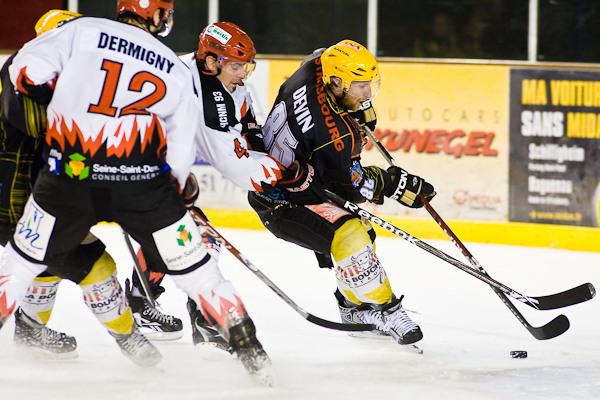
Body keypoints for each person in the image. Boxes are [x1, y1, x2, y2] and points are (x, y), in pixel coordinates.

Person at [0, 1, 269, 376]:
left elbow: (23, 72)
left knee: (24, 261)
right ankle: (251, 351)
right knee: (198, 271)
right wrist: (172, 187)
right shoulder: (172, 63)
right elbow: (179, 148)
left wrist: (59, 106)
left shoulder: (82, 33)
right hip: (140, 179)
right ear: (158, 16)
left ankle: (121, 330)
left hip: (71, 173)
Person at [128, 21, 312, 352]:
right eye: (237, 65)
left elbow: (248, 127)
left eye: (247, 65)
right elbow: (233, 164)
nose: (245, 72)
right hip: (135, 160)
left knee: (183, 226)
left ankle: (157, 305)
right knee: (192, 232)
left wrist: (268, 156)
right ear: (212, 61)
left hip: (152, 160)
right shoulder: (201, 89)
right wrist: (284, 175)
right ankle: (173, 311)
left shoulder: (218, 78)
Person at [247, 40, 436, 346]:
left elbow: (319, 53)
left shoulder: (314, 69)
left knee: (363, 233)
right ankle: (388, 310)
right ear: (336, 82)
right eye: (360, 87)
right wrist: (394, 184)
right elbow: (354, 188)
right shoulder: (332, 136)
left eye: (369, 85)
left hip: (295, 179)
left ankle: (353, 309)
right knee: (351, 234)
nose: (367, 94)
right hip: (282, 202)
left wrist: (356, 110)